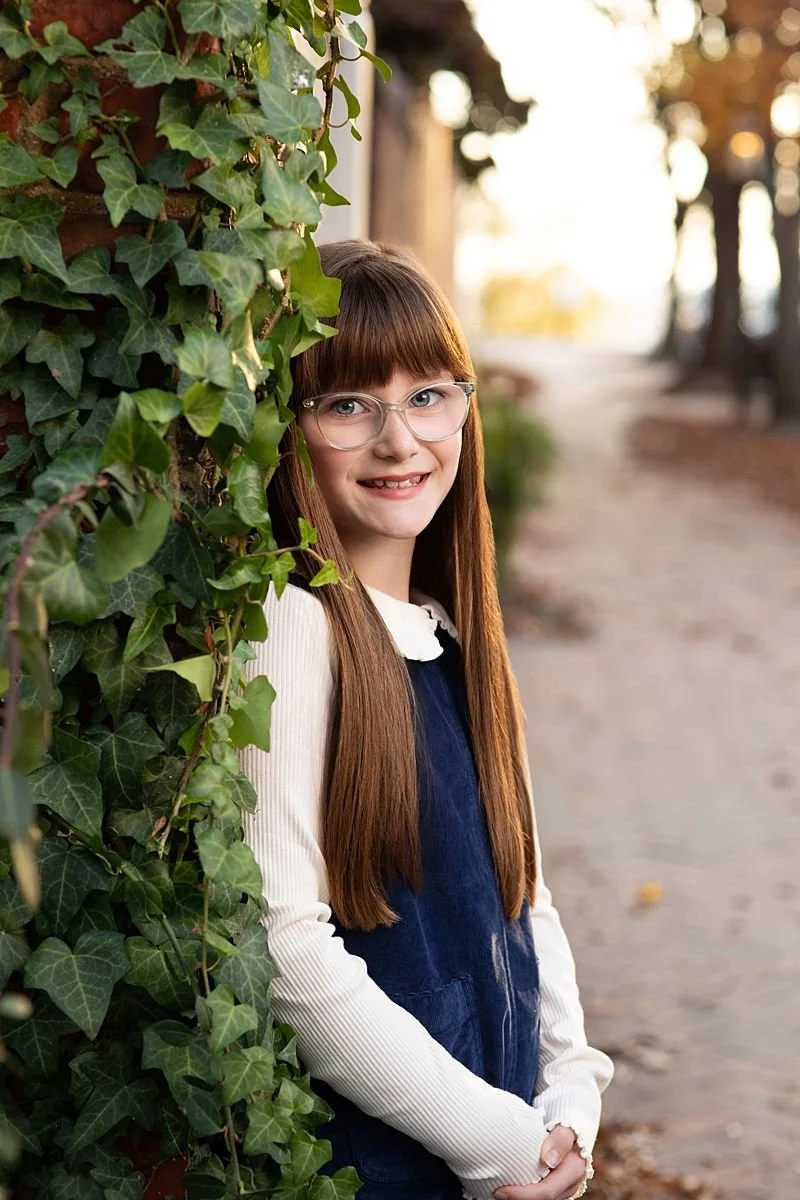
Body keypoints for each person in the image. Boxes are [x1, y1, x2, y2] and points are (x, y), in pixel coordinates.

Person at [241, 239, 613, 1200]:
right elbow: (286, 951)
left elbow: (524, 898)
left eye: (428, 395)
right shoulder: (296, 626)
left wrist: (570, 1093)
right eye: (349, 404)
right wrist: (499, 1138)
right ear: (291, 428)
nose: (399, 440)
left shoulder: (454, 642)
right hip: (391, 1169)